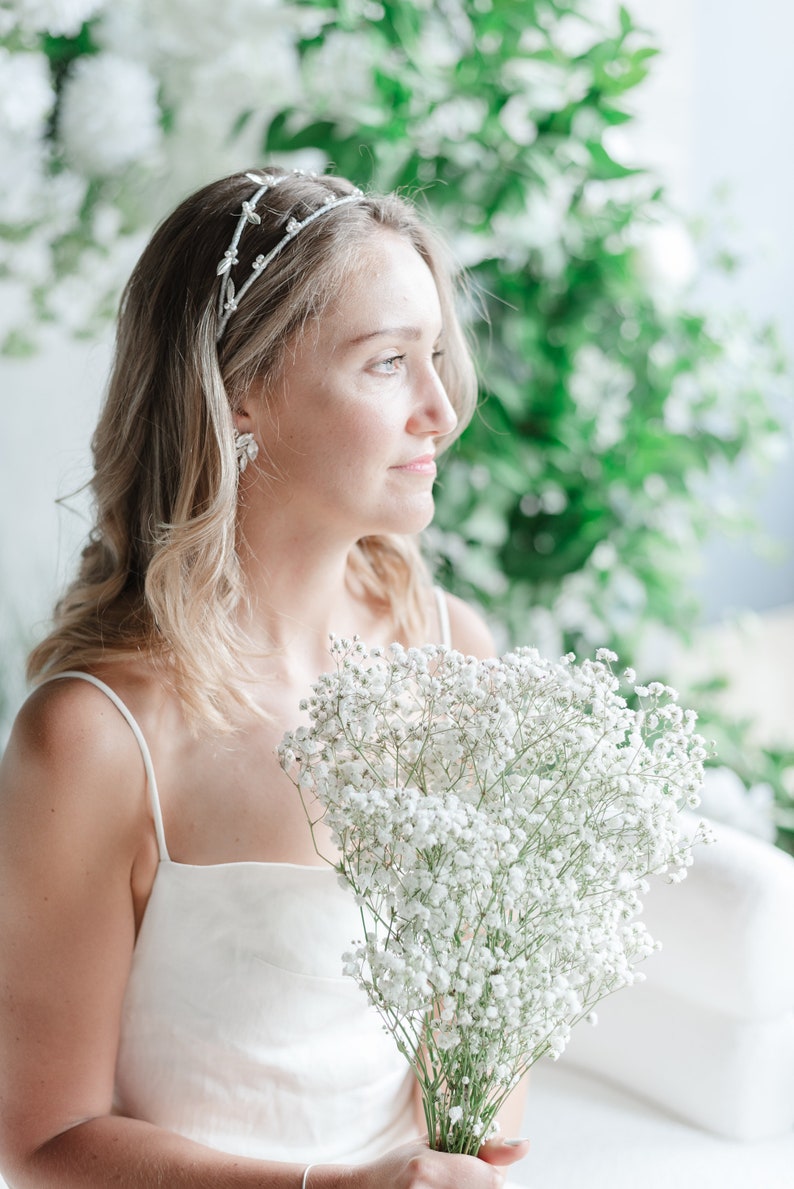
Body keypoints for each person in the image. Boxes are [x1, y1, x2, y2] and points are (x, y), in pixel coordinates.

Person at [0, 167, 529, 1188]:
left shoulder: (454, 651)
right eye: (386, 363)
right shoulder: (98, 737)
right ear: (242, 390)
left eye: (434, 356)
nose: (440, 410)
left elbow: (480, 1029)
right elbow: (38, 1140)